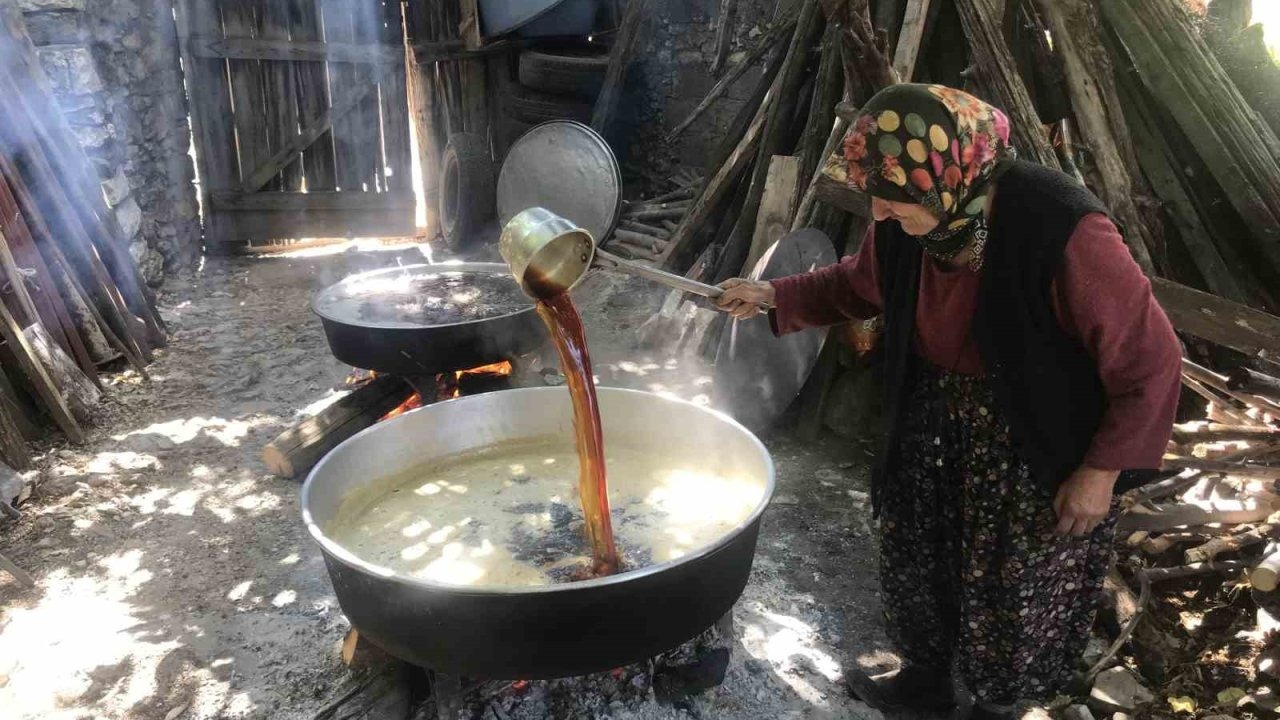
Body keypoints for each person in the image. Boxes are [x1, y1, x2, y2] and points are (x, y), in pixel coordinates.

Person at [714, 84, 1181, 718]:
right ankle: (924, 683)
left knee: (1011, 585)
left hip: (1030, 436)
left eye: (895, 199)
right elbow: (860, 286)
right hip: (933, 409)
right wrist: (773, 295)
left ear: (952, 177)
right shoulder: (915, 213)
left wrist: (1100, 473)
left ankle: (996, 707)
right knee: (915, 554)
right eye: (876, 192)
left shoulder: (1063, 229)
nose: (879, 211)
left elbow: (1151, 360)